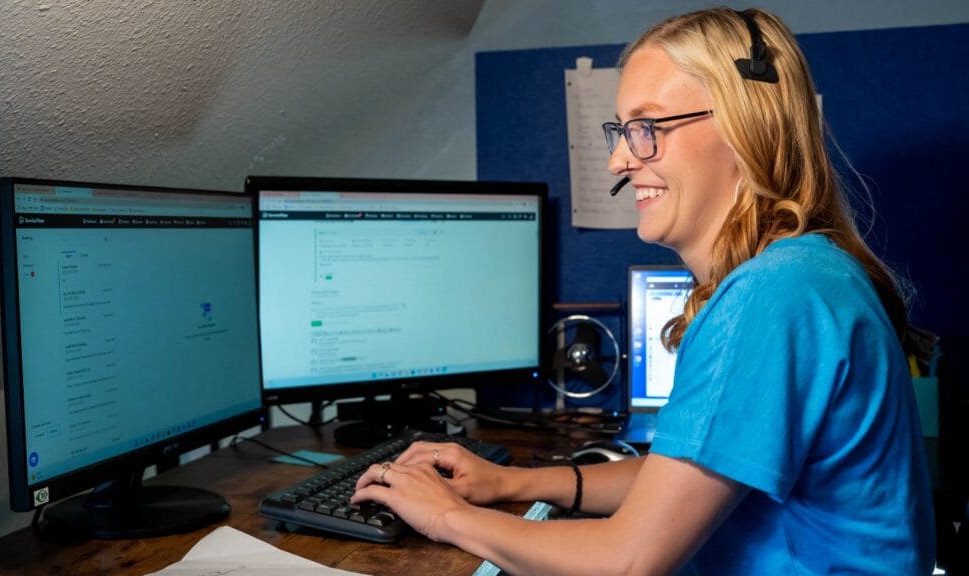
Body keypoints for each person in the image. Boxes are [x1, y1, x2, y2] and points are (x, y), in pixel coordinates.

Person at [352, 7, 935, 574]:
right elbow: (679, 480)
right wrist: (511, 482)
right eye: (623, 131)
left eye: (646, 128)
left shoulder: (773, 296)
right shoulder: (808, 272)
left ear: (743, 125)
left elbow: (628, 560)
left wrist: (446, 515)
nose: (617, 161)